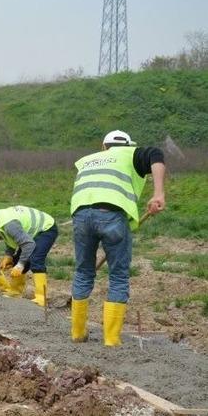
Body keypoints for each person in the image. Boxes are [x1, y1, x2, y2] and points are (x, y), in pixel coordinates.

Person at [70, 130, 166, 347]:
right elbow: (156, 154)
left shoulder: (87, 160)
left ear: (104, 146)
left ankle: (77, 333)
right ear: (128, 145)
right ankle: (112, 339)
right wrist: (158, 193)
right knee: (118, 276)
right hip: (112, 215)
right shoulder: (129, 154)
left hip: (81, 216)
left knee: (83, 272)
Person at [0, 205, 58, 305]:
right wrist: (9, 255)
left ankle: (41, 298)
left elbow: (28, 244)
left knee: (36, 260)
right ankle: (15, 292)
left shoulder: (10, 225)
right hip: (30, 235)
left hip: (46, 228)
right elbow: (10, 239)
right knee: (19, 258)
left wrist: (20, 265)